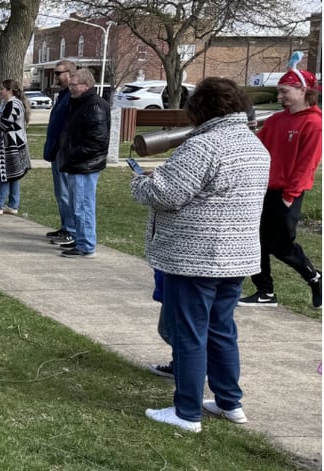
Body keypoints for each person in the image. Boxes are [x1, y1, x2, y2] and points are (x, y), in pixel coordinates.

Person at [131, 77, 270, 433]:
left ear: (201, 108)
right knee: (221, 329)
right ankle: (229, 402)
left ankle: (187, 412)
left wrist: (141, 182)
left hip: (196, 257)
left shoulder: (204, 146)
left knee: (190, 333)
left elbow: (167, 194)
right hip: (236, 258)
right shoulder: (255, 145)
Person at [238, 53, 322, 309]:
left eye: (285, 91)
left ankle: (315, 278)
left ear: (302, 90)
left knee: (281, 245)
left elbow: (307, 163)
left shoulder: (314, 123)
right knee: (254, 240)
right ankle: (265, 291)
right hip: (264, 190)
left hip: (287, 194)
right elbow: (257, 146)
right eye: (279, 92)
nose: (280, 97)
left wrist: (290, 195)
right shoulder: (276, 120)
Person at [53, 69, 109, 258]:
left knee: (83, 206)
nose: (70, 89)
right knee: (77, 205)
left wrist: (74, 155)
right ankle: (80, 240)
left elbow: (97, 141)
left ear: (86, 85)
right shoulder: (79, 104)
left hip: (85, 165)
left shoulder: (95, 106)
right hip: (76, 163)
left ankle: (86, 245)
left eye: (74, 85)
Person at [0, 79, 31, 216]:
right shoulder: (6, 104)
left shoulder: (13, 104)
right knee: (13, 175)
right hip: (10, 143)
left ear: (10, 91)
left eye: (3, 89)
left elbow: (4, 124)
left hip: (11, 144)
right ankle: (13, 205)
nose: (0, 91)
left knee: (4, 175)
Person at [43, 60, 78, 245]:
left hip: (64, 151)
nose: (55, 76)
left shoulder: (72, 96)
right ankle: (65, 226)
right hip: (56, 150)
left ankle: (71, 230)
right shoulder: (63, 95)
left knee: (66, 192)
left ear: (70, 73)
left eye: (58, 73)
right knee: (60, 192)